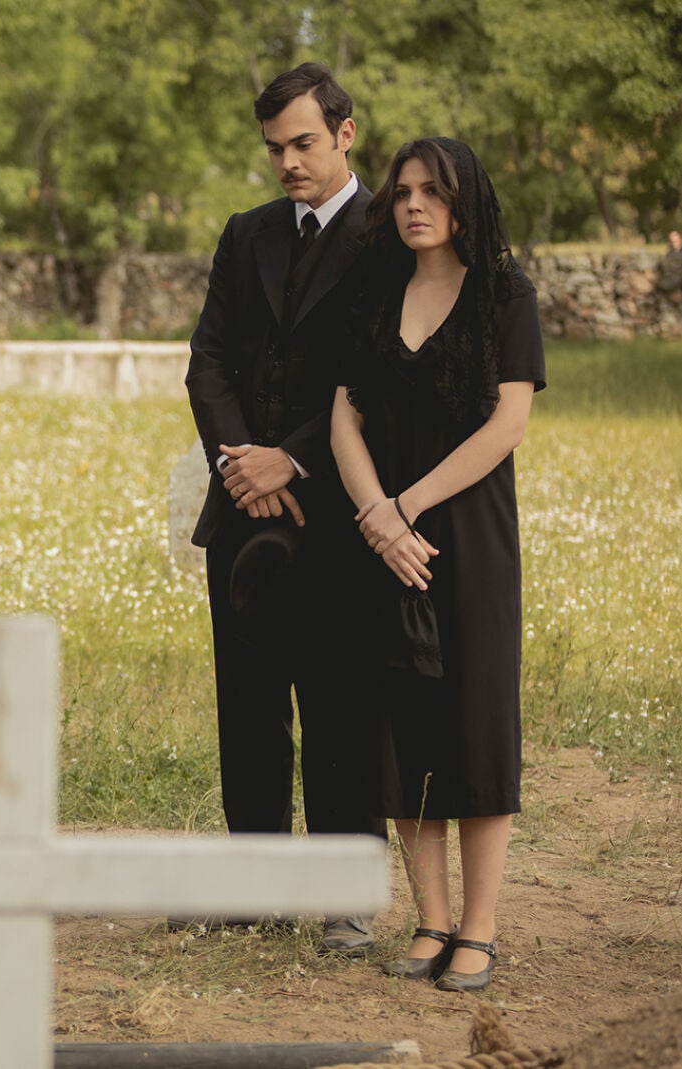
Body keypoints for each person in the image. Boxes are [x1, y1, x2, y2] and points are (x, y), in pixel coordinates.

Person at [331, 137, 544, 992]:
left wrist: (409, 506)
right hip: (385, 537)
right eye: (405, 190)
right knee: (404, 726)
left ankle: (480, 929)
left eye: (434, 191)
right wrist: (376, 516)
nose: (415, 203)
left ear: (465, 200)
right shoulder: (375, 292)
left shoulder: (505, 293)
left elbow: (508, 425)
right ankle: (429, 919)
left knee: (476, 724)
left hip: (470, 539)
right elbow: (343, 417)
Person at [184, 62, 386, 953]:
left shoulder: (392, 235)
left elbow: (380, 375)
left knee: (342, 699)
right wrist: (240, 465)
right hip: (240, 507)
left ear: (346, 133)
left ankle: (345, 893)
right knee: (250, 700)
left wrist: (292, 461)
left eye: (303, 143)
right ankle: (254, 882)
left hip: (336, 508)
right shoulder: (247, 233)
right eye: (274, 148)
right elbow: (208, 362)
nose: (287, 163)